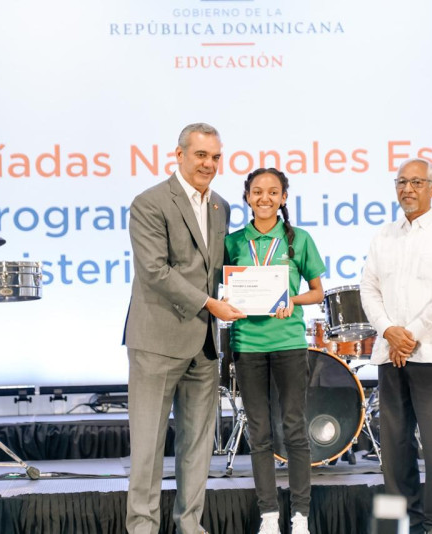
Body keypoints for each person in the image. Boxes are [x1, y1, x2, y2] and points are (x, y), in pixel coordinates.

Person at [123, 122, 246, 534]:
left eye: (215, 157)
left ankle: (190, 526)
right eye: (200, 155)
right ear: (179, 155)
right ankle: (142, 527)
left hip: (205, 345)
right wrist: (211, 304)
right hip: (157, 341)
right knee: (148, 447)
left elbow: (218, 270)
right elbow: (156, 271)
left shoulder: (221, 206)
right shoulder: (150, 202)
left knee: (197, 447)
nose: (208, 164)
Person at [360, 158, 432, 534]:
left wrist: (411, 334)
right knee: (394, 450)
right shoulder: (383, 236)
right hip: (391, 356)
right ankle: (403, 522)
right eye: (401, 182)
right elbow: (369, 289)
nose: (408, 189)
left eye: (417, 182)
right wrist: (389, 330)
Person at [224, 168, 326, 534]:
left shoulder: (299, 240)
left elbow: (317, 292)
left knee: (295, 429)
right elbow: (222, 290)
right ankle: (269, 514)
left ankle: (301, 515)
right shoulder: (233, 242)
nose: (264, 198)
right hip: (248, 345)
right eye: (257, 191)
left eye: (272, 192)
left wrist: (291, 300)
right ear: (247, 197)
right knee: (259, 432)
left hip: (288, 344)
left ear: (284, 198)